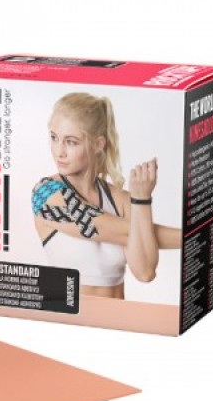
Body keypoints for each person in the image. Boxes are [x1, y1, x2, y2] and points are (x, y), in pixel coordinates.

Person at [32, 92, 182, 300]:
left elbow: (145, 272)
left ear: (98, 144)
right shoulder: (44, 195)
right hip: (68, 316)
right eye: (54, 138)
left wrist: (142, 200)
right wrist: (197, 234)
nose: (59, 151)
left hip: (118, 316)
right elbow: (96, 225)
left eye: (71, 142)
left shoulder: (121, 200)